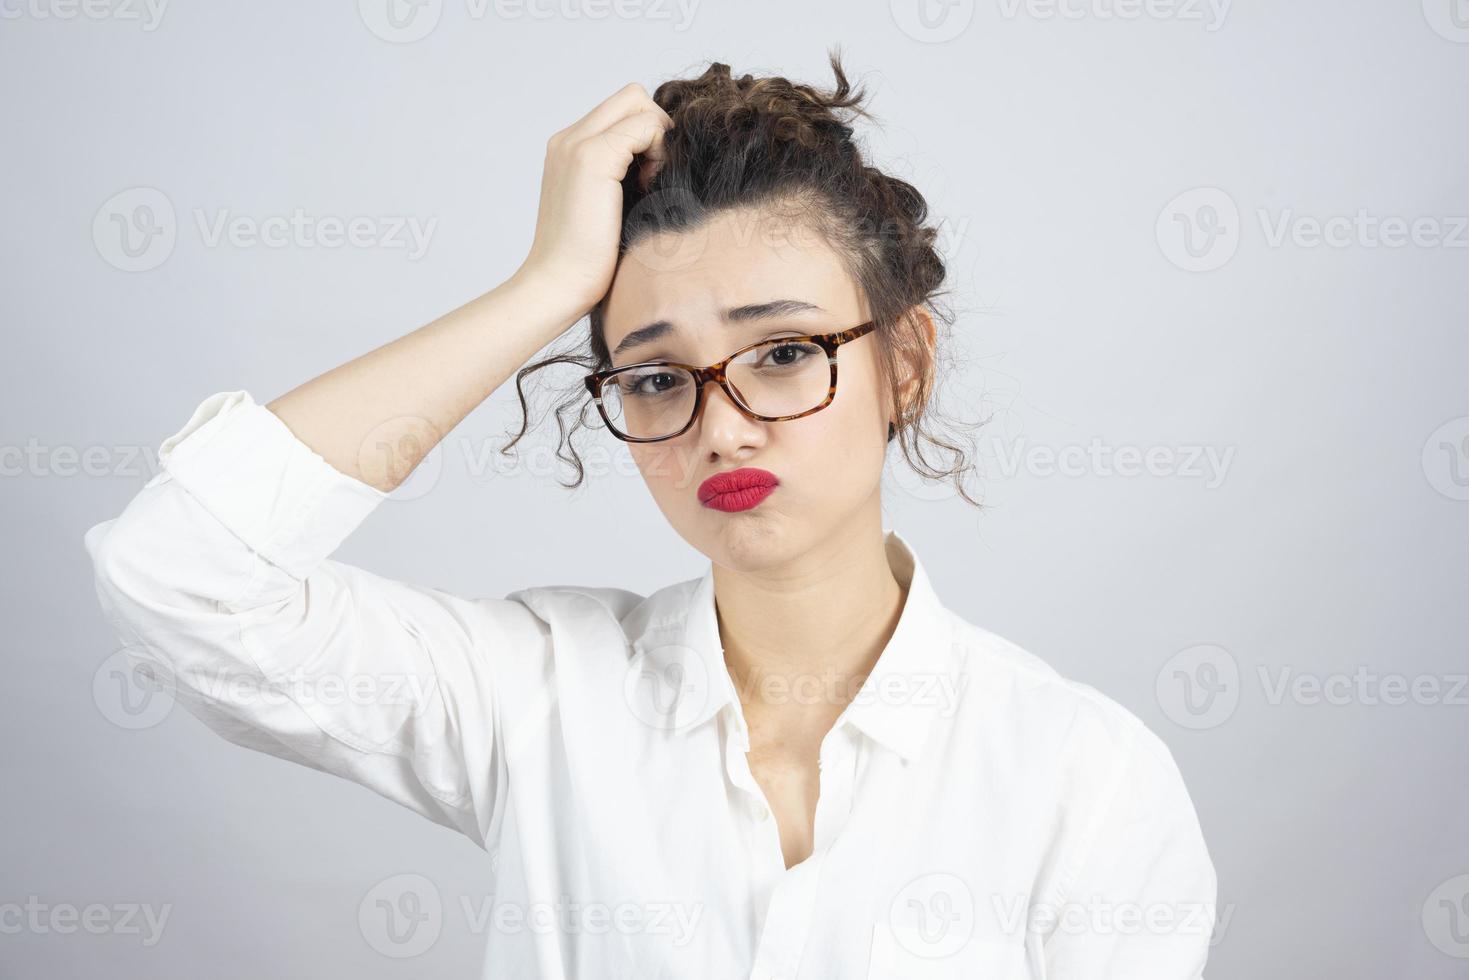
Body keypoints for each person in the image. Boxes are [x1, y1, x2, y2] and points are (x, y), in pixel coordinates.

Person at [84, 51, 1218, 979]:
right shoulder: (538, 691)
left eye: (781, 353)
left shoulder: (1081, 776)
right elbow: (183, 572)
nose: (719, 426)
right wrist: (543, 287)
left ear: (903, 364)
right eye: (656, 375)